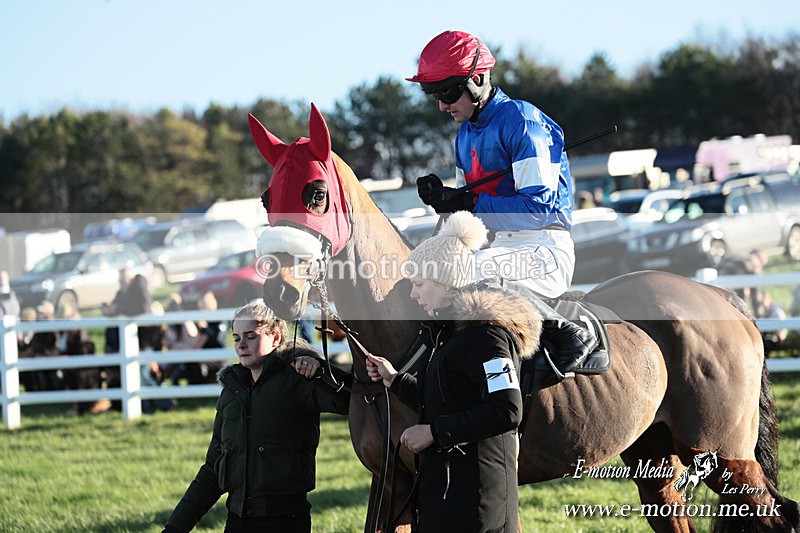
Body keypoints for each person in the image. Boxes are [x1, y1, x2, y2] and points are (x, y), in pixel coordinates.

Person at [407, 29, 605, 377]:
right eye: (433, 94)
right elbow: (474, 217)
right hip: (502, 250)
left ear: (479, 79)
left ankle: (570, 330)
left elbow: (537, 209)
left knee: (464, 271)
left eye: (447, 91)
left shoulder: (523, 122)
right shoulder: (465, 135)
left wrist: (468, 201)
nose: (442, 104)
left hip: (544, 250)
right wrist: (447, 203)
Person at [366, 211, 538, 533]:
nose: (413, 294)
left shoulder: (487, 337)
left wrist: (433, 432)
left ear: (445, 280)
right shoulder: (442, 335)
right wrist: (394, 380)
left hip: (478, 507)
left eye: (418, 284)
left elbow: (508, 410)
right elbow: (447, 398)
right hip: (444, 496)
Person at [163, 299, 351, 533]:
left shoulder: (300, 380)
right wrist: (174, 528)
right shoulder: (231, 393)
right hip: (237, 522)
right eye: (237, 338)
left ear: (275, 337)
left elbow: (350, 401)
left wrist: (320, 371)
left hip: (286, 522)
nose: (242, 345)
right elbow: (213, 468)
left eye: (251, 336)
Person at [716, 249, 768, 316]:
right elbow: (757, 297)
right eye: (762, 265)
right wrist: (760, 317)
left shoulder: (735, 256)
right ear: (760, 259)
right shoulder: (753, 265)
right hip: (727, 292)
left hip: (714, 284)